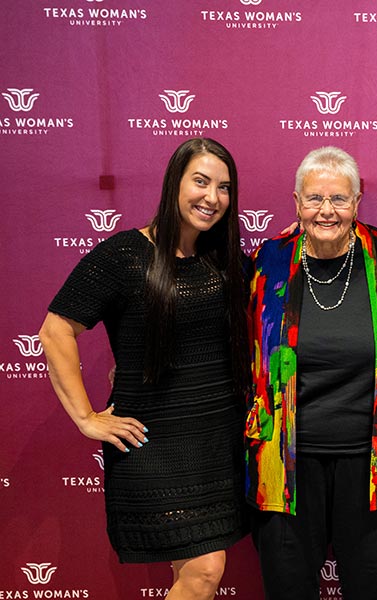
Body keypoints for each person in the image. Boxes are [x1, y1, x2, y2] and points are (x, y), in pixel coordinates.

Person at [39, 138, 250, 600]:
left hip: (216, 440)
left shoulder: (226, 259)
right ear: (174, 182)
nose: (212, 197)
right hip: (152, 442)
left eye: (224, 187)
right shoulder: (125, 255)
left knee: (198, 573)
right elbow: (55, 331)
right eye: (200, 181)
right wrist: (85, 417)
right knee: (206, 570)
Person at [245, 146, 377, 600]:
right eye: (314, 198)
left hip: (372, 464)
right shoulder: (268, 262)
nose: (326, 210)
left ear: (357, 202)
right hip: (284, 466)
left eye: (339, 199)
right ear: (296, 202)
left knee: (374, 588)